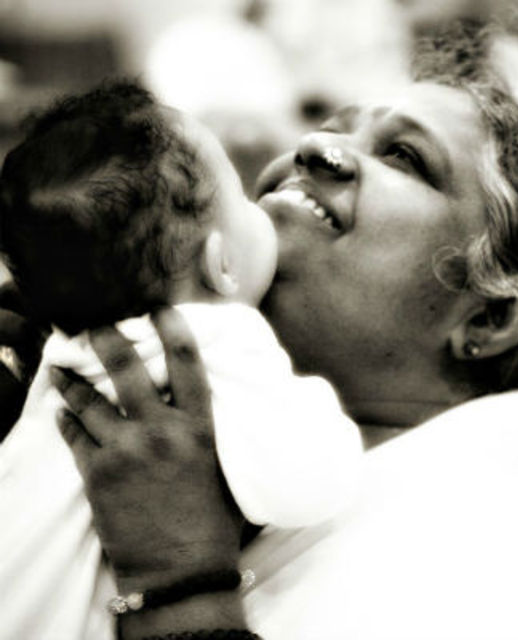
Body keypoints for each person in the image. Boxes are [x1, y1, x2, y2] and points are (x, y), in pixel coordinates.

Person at [3, 22, 518, 640]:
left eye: (404, 156)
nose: (310, 148)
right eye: (331, 126)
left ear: (490, 317)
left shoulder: (517, 579)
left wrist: (179, 583)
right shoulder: (138, 393)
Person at [0, 81, 362, 639]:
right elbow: (308, 483)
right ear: (222, 266)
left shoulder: (60, 355)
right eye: (241, 198)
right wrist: (319, 409)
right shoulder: (221, 337)